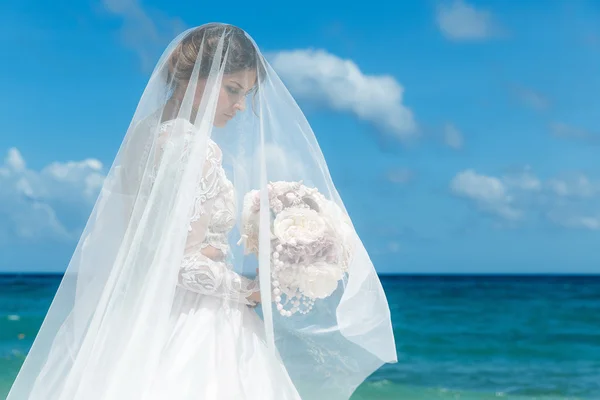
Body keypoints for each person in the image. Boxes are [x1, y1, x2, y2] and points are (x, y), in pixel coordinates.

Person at [7, 23, 397, 400]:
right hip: (194, 319)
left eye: (245, 93)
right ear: (196, 79)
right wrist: (249, 290)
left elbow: (149, 240)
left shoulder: (147, 131)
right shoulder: (195, 148)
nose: (241, 106)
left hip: (137, 314)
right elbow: (179, 261)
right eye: (232, 90)